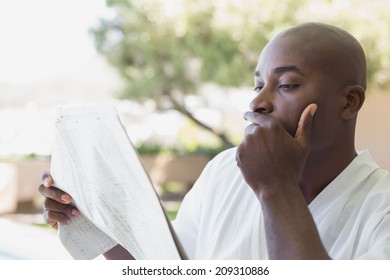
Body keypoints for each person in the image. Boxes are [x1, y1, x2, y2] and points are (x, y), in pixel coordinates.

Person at [38, 22, 390, 259]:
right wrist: (94, 216)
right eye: (258, 85)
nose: (258, 102)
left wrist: (277, 187)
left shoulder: (381, 208)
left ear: (349, 102)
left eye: (286, 85)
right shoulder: (225, 171)